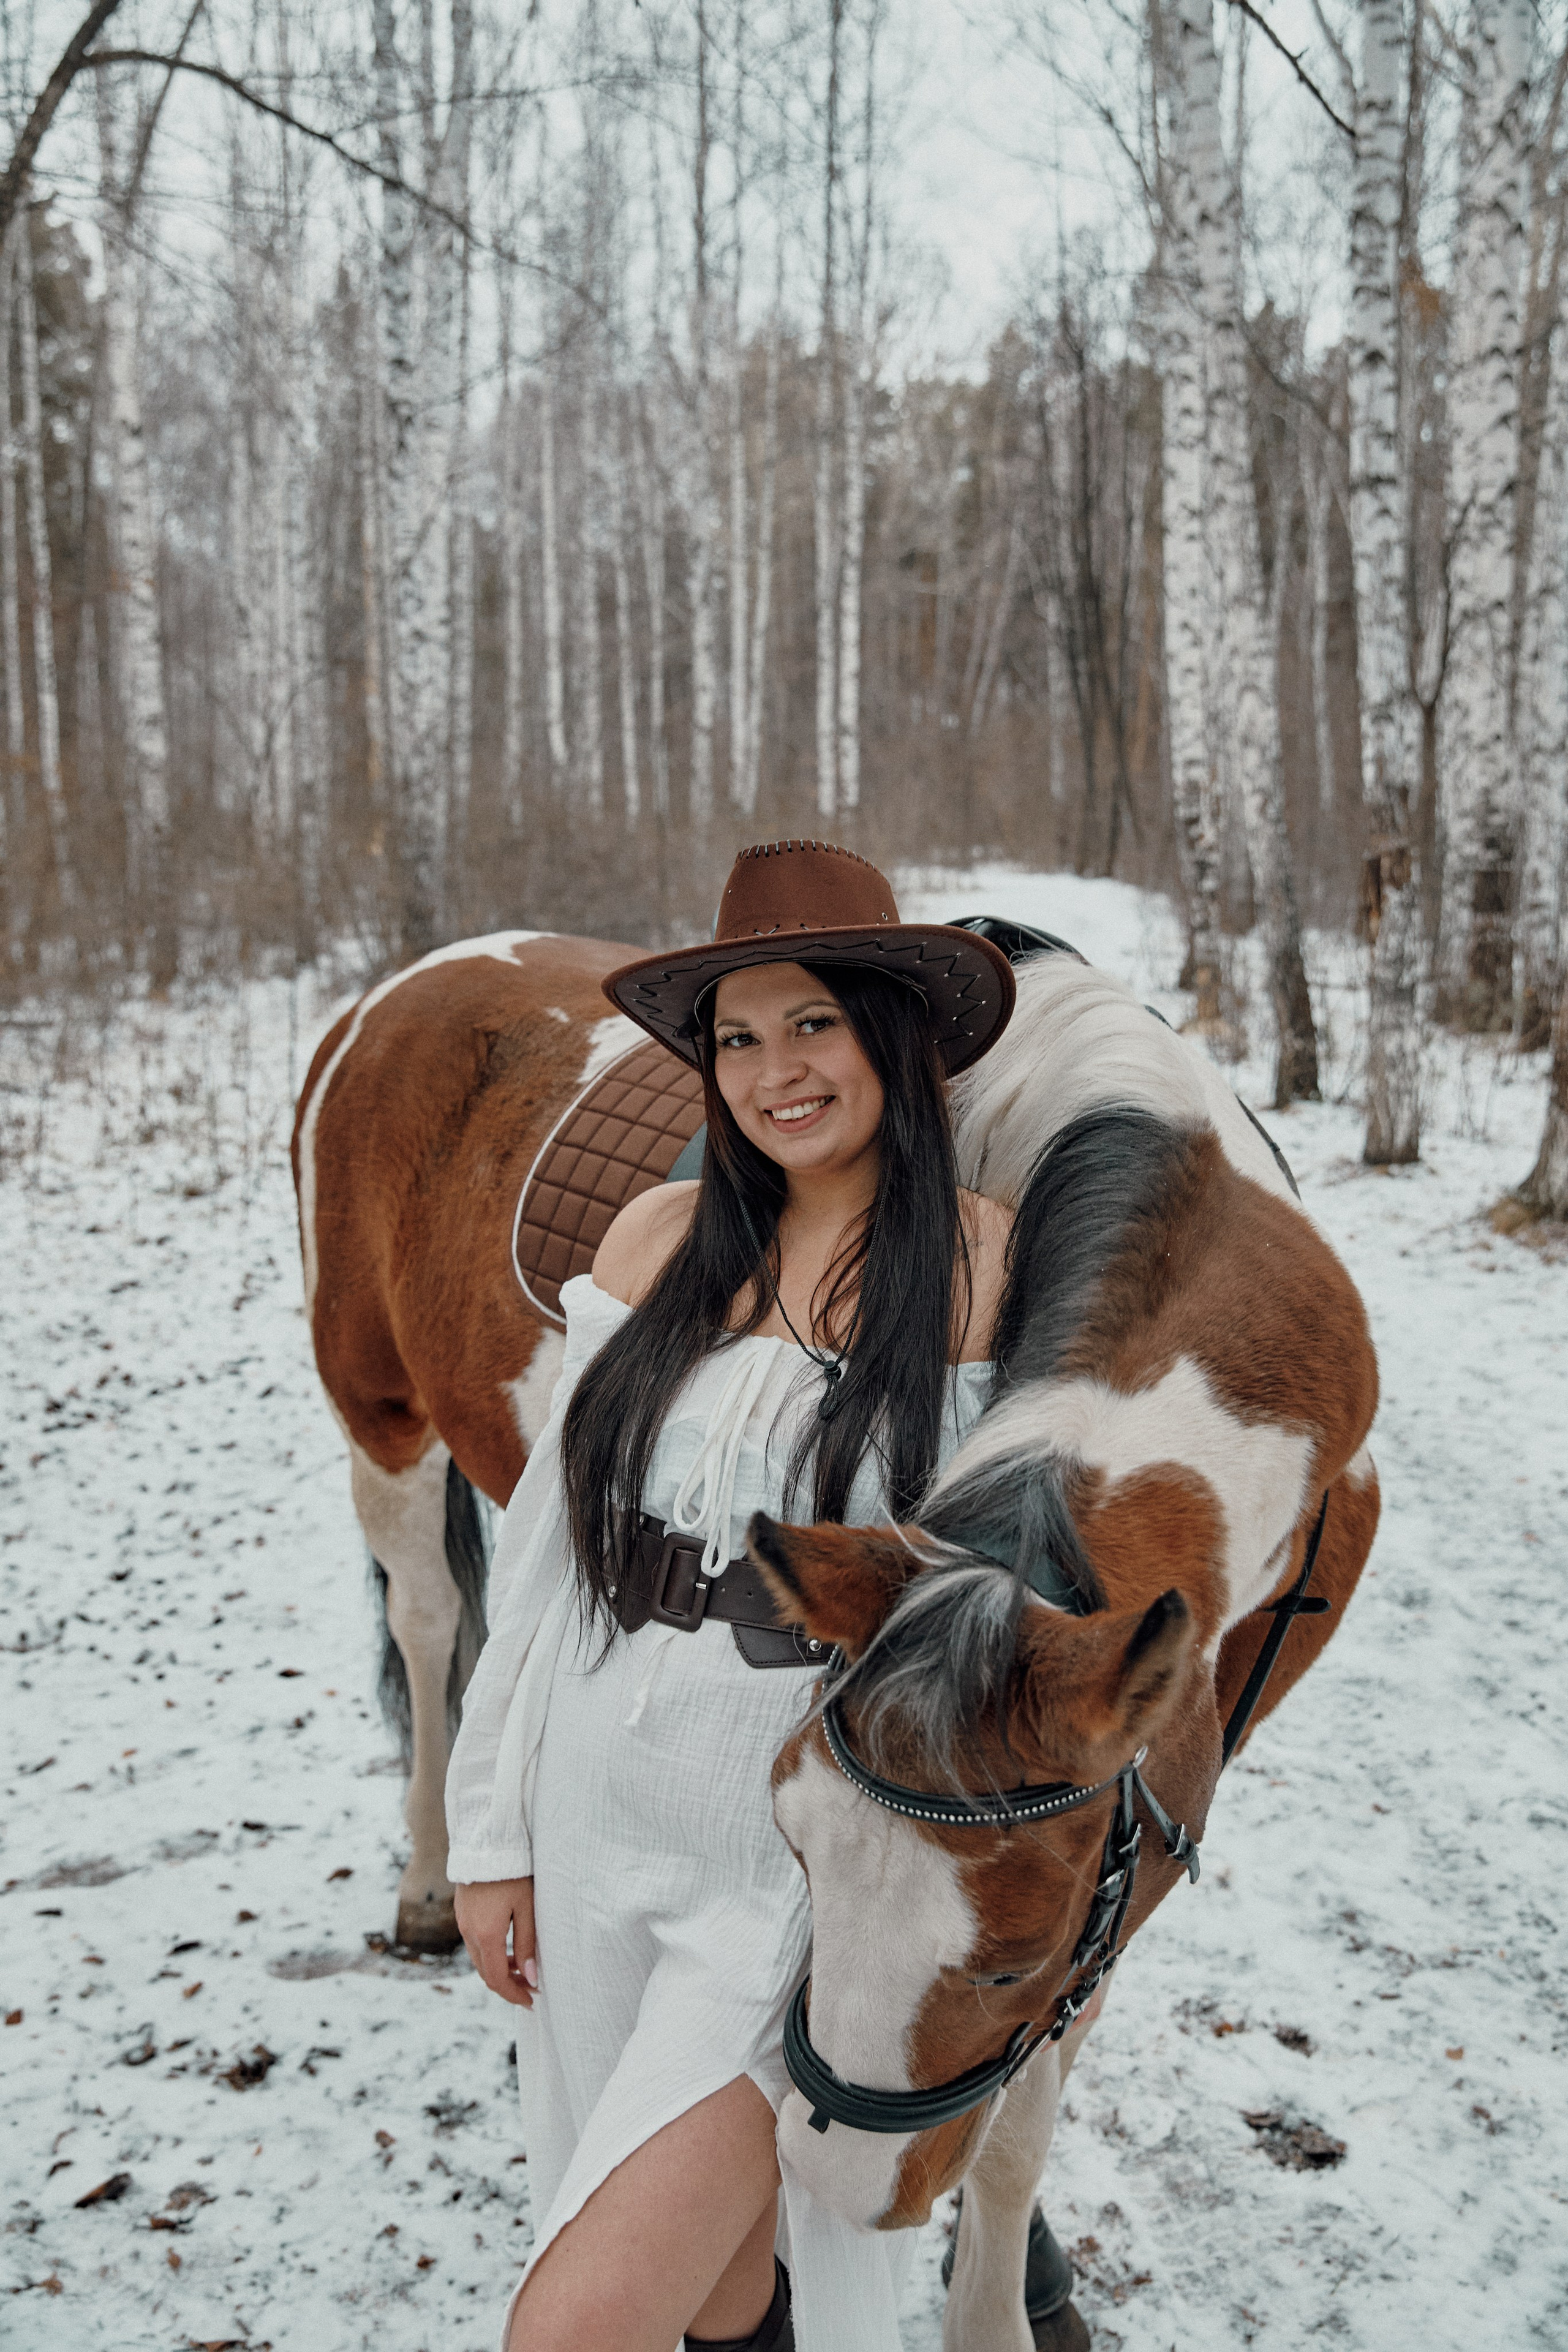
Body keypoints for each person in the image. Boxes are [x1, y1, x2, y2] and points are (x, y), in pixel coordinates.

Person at [446, 841, 1017, 2352]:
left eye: (813, 1024)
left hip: (791, 1843)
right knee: (717, 2279)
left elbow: (986, 1611)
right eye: (739, 1037)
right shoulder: (651, 1242)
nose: (776, 1071)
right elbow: (541, 1563)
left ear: (889, 1030)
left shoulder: (978, 1276)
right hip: (593, 1791)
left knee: (574, 2325)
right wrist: (488, 1834)